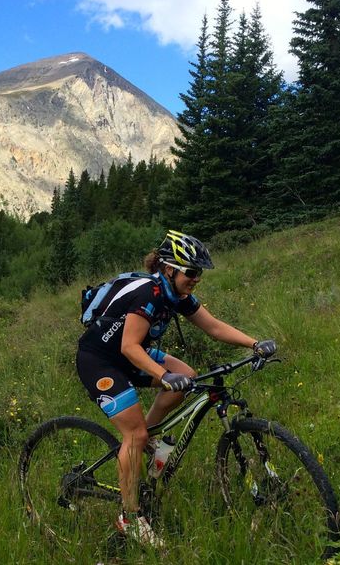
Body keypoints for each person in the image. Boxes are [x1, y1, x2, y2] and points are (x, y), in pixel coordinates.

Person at [75, 230, 276, 547]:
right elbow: (129, 346)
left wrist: (255, 344)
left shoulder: (177, 295)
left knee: (187, 376)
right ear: (169, 269)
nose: (196, 279)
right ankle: (129, 518)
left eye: (199, 273)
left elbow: (213, 327)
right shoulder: (149, 294)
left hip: (130, 354)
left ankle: (150, 438)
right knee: (134, 434)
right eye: (191, 272)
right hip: (100, 360)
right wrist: (162, 375)